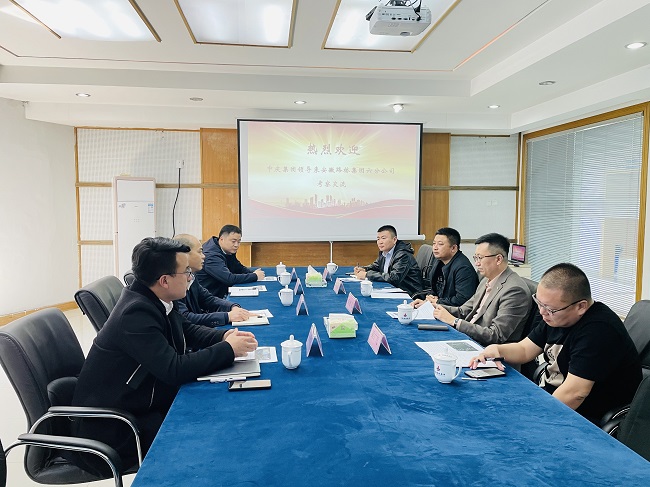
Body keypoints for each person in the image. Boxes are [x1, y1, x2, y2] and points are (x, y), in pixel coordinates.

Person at [71, 237, 258, 475]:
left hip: (144, 403)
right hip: (117, 429)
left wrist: (223, 337)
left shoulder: (156, 297)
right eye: (186, 272)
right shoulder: (135, 313)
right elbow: (174, 370)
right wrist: (228, 349)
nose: (190, 277)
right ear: (165, 280)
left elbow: (187, 330)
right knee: (209, 435)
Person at [470, 263, 642, 424]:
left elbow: (575, 393)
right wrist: (496, 350)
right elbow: (524, 349)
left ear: (581, 306)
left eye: (550, 309)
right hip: (552, 397)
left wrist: (532, 417)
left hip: (584, 416)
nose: (542, 312)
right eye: (539, 303)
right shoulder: (557, 316)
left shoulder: (599, 331)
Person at [432, 232, 531, 345]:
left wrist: (454, 321)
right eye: (475, 258)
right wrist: (435, 306)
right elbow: (463, 311)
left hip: (486, 348)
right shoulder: (486, 279)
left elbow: (495, 335)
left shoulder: (515, 291)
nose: (477, 263)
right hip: (468, 336)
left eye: (480, 258)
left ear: (498, 259)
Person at [173, 234, 253, 327]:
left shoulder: (191, 276)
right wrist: (227, 316)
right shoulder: (173, 281)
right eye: (200, 252)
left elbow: (208, 299)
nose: (204, 256)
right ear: (184, 255)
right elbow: (185, 318)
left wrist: (232, 307)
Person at [412, 227, 479, 306]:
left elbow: (462, 300)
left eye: (440, 244)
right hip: (440, 306)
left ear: (453, 248)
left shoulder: (463, 269)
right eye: (434, 243)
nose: (435, 248)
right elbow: (435, 290)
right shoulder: (439, 261)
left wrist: (438, 302)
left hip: (452, 311)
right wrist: (428, 300)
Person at [196, 224, 265, 298]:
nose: (236, 245)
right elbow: (229, 279)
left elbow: (237, 267)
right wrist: (254, 276)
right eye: (233, 241)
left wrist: (252, 272)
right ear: (221, 239)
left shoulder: (226, 248)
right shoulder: (211, 256)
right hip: (209, 297)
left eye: (239, 242)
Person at [353, 225, 423, 297]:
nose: (380, 242)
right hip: (393, 289)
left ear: (394, 240)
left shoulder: (403, 255)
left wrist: (367, 274)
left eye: (383, 238)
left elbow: (394, 278)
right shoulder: (385, 251)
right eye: (378, 239)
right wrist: (364, 269)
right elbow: (376, 266)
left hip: (409, 293)